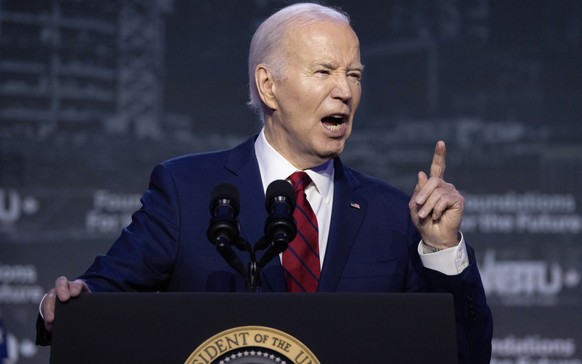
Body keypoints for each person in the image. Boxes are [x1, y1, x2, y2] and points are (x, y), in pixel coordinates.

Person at [37, 2, 493, 362]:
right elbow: (99, 294)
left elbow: (463, 354)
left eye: (354, 75)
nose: (346, 91)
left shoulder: (392, 214)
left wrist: (441, 251)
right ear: (268, 85)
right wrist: (67, 306)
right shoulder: (187, 190)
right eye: (325, 71)